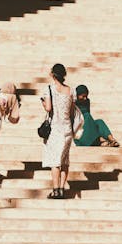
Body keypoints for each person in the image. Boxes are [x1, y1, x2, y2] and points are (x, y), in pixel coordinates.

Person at [40, 64, 83, 199]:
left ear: (53, 74)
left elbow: (48, 108)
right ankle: (63, 189)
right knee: (64, 161)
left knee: (55, 161)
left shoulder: (49, 89)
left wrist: (42, 102)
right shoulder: (70, 91)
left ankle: (56, 190)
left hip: (55, 129)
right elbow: (71, 111)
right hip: (67, 129)